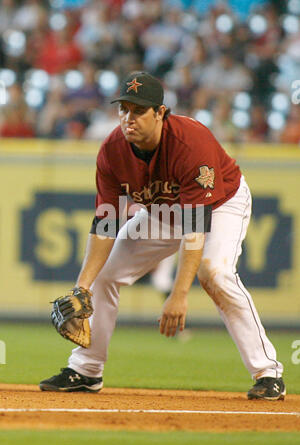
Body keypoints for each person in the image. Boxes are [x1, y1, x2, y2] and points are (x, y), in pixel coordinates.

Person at [40, 71, 285, 400]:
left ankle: (267, 372)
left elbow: (195, 229)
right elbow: (105, 224)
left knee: (214, 272)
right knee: (105, 274)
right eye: (124, 109)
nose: (129, 118)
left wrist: (179, 294)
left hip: (221, 203)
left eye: (139, 110)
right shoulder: (112, 150)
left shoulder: (190, 142)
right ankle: (86, 369)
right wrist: (81, 287)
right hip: (160, 212)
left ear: (160, 113)